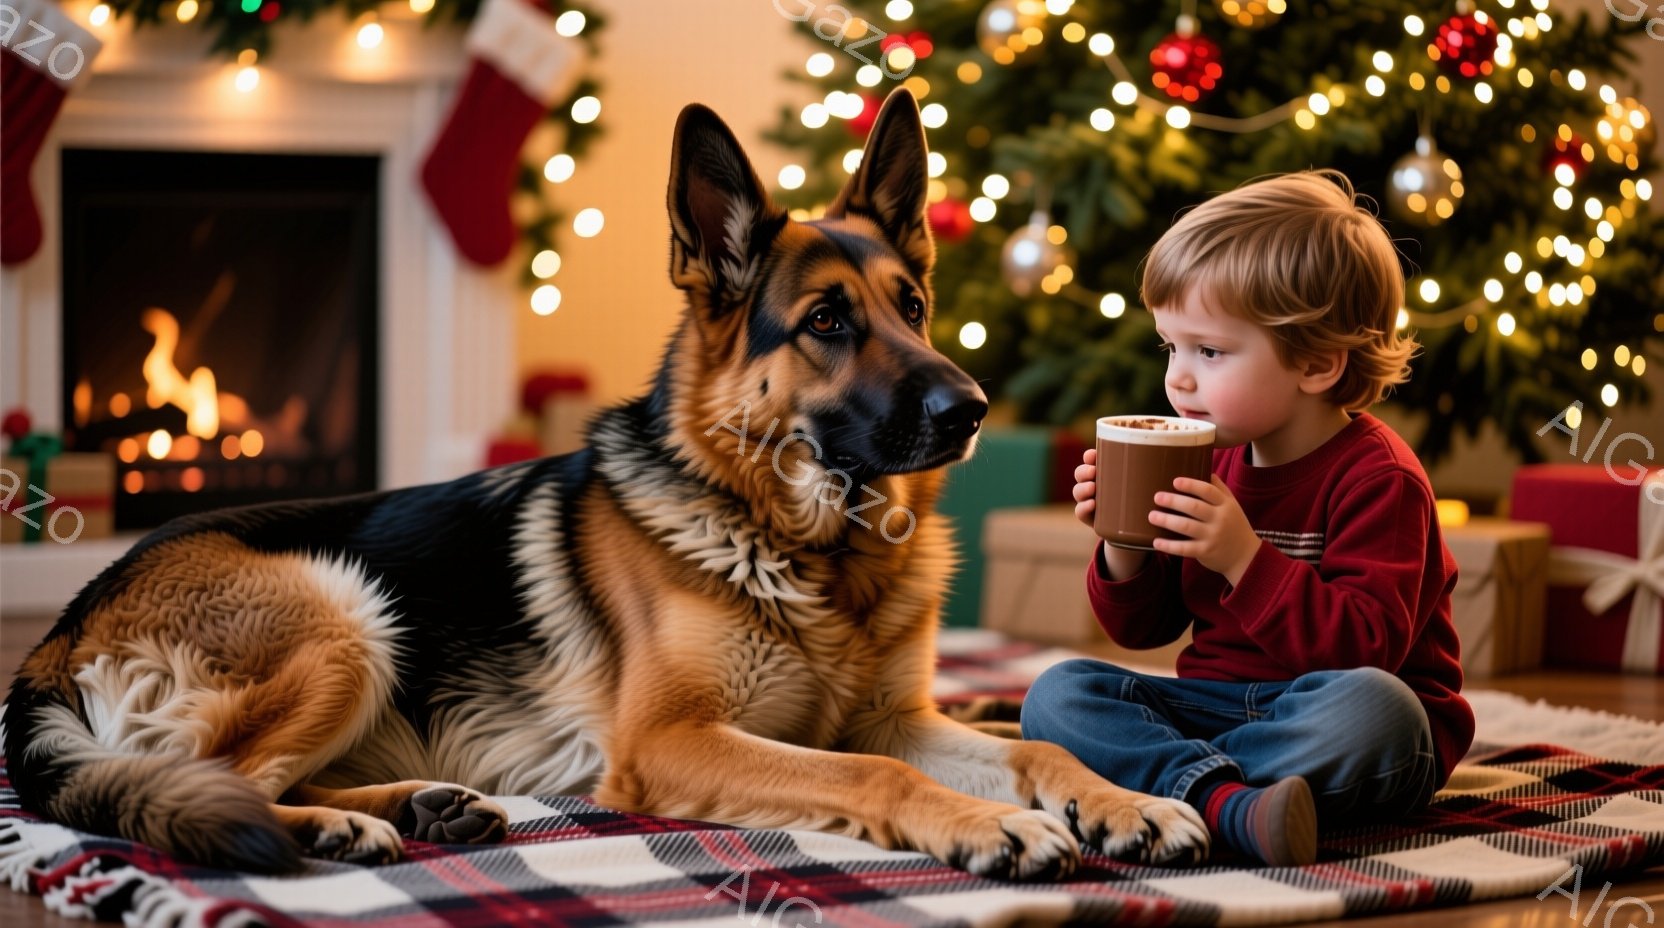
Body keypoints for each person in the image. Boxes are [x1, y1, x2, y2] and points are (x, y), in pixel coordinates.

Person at [1020, 171, 1473, 868]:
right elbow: (1142, 630)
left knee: (1379, 710)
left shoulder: (1381, 479)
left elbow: (1365, 647)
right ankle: (1230, 803)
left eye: (1209, 351)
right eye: (1169, 347)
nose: (1178, 378)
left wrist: (1242, 558)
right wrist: (1123, 546)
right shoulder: (1210, 458)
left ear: (1317, 364)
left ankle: (1177, 785)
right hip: (1217, 705)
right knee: (1058, 696)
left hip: (1328, 718)